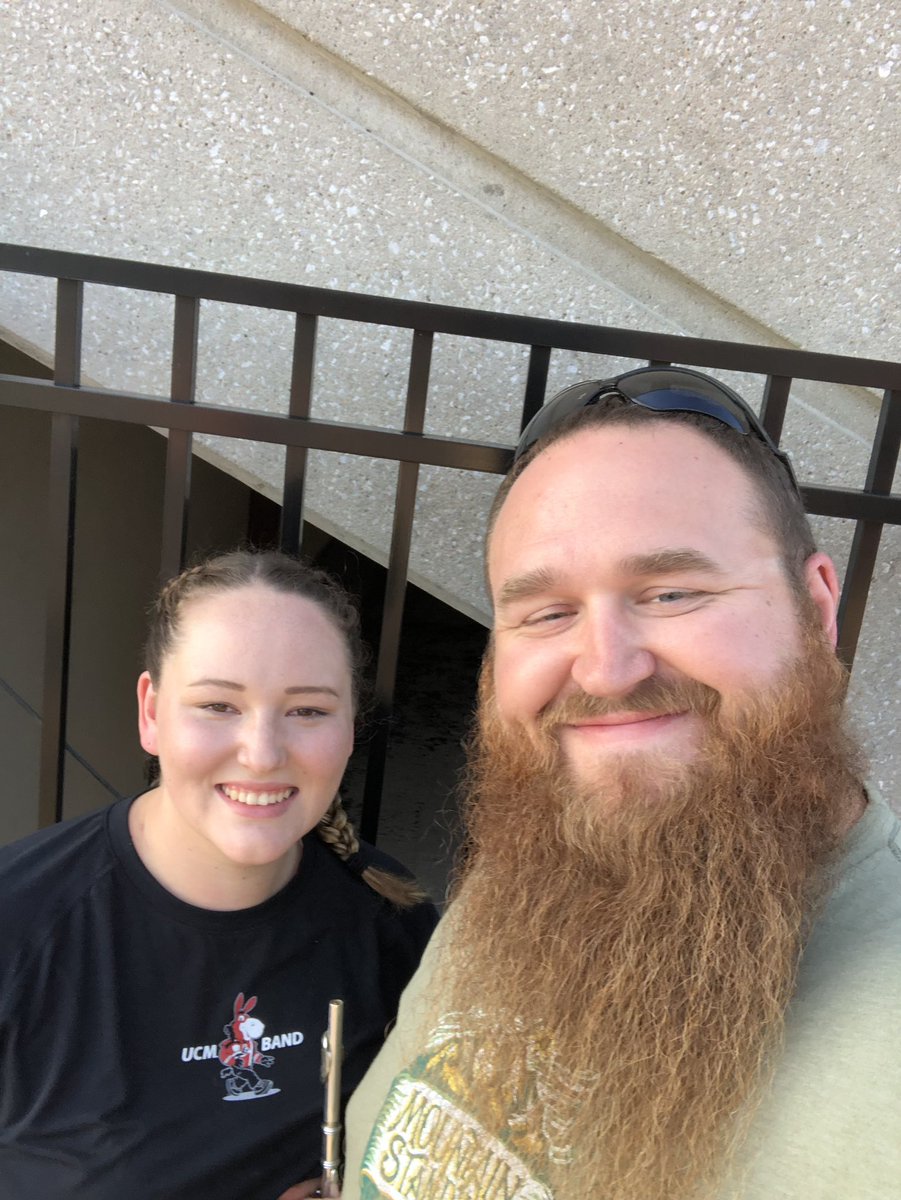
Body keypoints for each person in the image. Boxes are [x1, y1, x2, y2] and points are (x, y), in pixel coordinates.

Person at [342, 368, 901, 1200]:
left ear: (817, 608)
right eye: (545, 613)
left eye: (673, 592)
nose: (604, 672)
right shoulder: (554, 855)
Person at [0, 549, 437, 1199]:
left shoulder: (391, 921)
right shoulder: (19, 923)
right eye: (217, 705)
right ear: (151, 713)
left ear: (350, 727)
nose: (261, 754)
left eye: (308, 710)